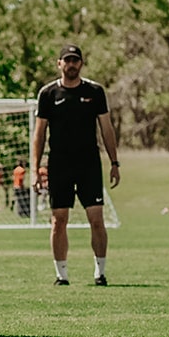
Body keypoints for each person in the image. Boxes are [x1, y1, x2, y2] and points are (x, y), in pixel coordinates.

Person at [31, 43, 120, 286]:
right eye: (67, 60)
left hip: (88, 164)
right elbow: (39, 134)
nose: (71, 64)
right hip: (59, 164)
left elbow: (106, 128)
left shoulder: (95, 91)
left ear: (81, 63)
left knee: (97, 219)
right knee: (59, 220)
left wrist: (114, 162)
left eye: (75, 60)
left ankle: (100, 272)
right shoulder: (48, 94)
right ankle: (61, 275)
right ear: (59, 64)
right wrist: (35, 169)